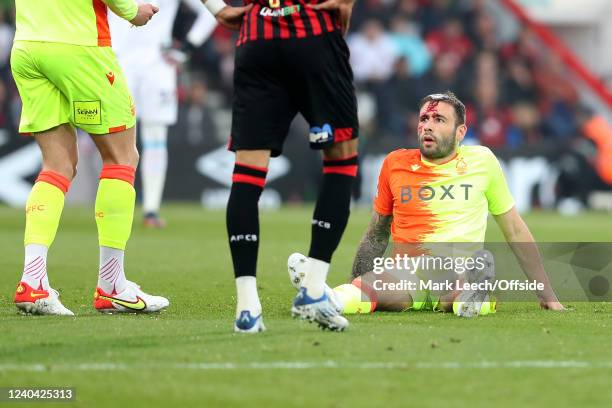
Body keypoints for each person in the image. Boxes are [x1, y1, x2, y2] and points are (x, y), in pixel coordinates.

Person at [289, 91, 565, 316]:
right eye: (424, 118)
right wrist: (358, 284)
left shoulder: (483, 162)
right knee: (368, 289)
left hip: (458, 269)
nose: (428, 125)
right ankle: (322, 296)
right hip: (408, 273)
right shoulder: (395, 163)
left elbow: (515, 230)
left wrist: (546, 293)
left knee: (460, 290)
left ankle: (472, 295)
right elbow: (376, 232)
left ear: (460, 132)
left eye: (439, 119)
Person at [204, 0, 359, 332]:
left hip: (256, 40)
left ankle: (247, 309)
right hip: (312, 34)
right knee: (341, 160)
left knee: (247, 174)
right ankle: (313, 290)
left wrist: (216, 7)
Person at [12, 0, 169, 315]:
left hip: (28, 45)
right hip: (79, 47)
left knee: (57, 165)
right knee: (122, 158)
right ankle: (112, 287)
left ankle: (33, 282)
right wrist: (130, 10)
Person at [109, 0, 218, 228]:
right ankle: (115, 207)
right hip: (116, 62)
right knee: (114, 138)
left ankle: (150, 209)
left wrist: (187, 47)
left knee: (154, 137)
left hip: (155, 65)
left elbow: (211, 12)